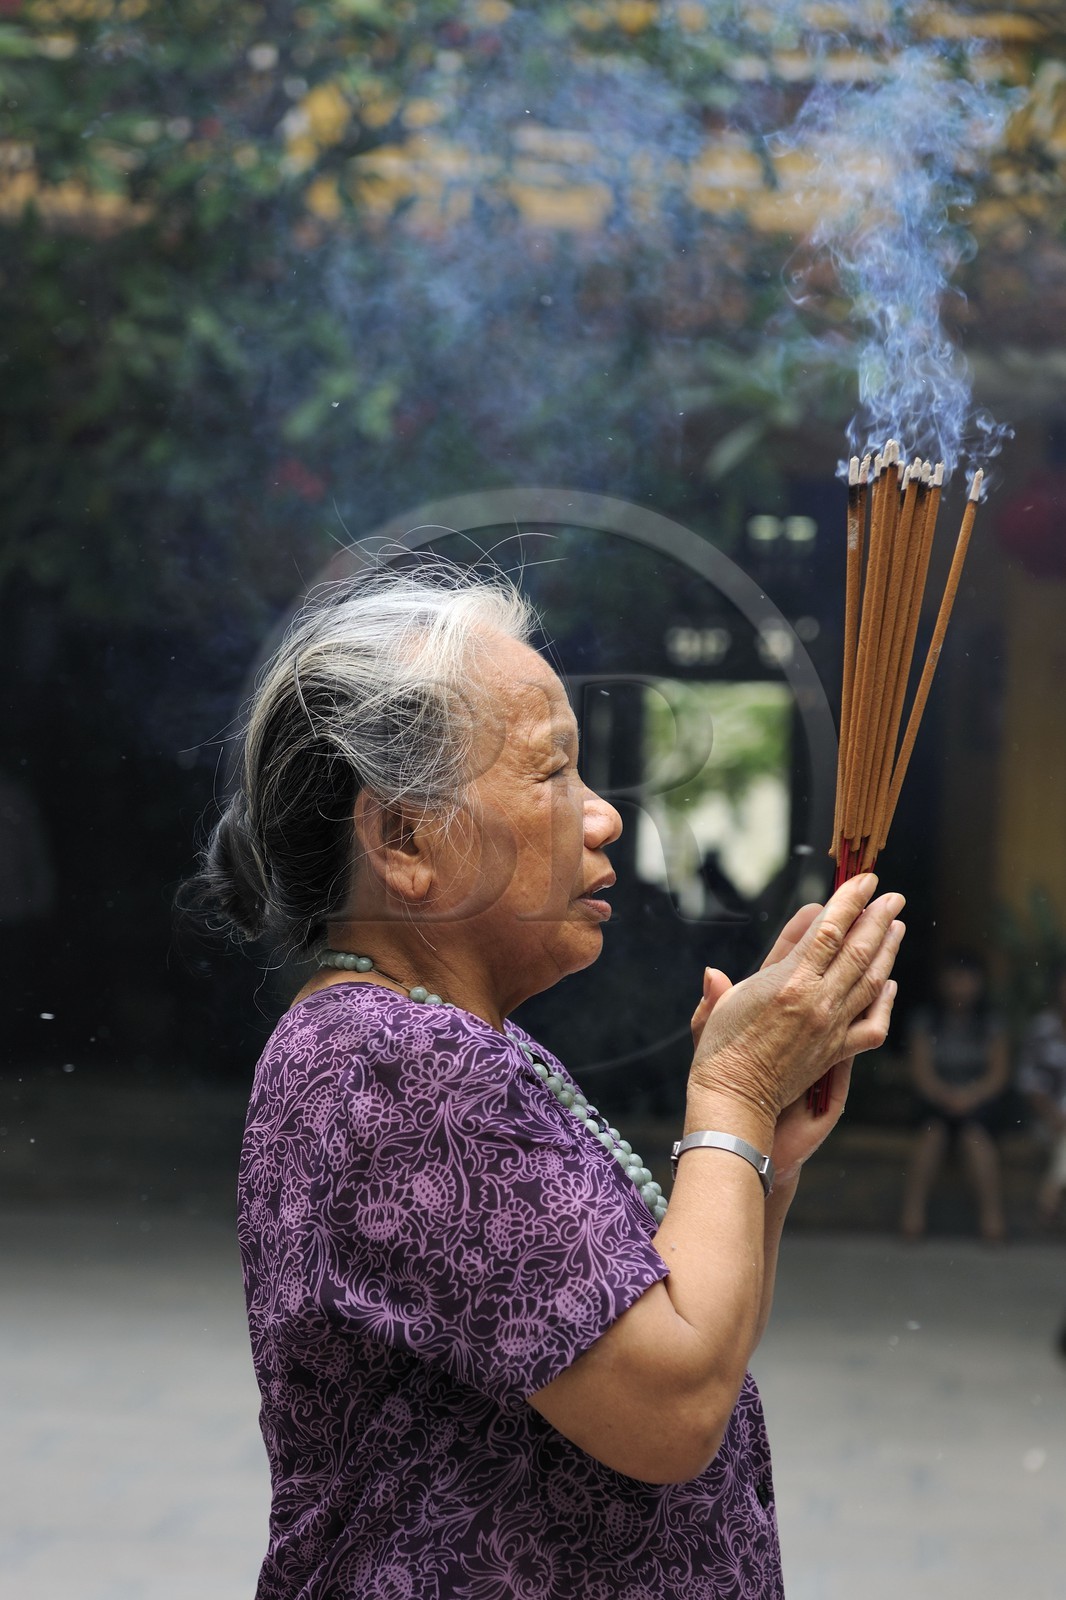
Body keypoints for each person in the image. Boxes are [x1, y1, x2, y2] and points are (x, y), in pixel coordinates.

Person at [190, 564, 903, 1600]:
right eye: (551, 773)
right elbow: (668, 1413)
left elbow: (684, 1351)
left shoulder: (434, 1041)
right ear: (405, 838)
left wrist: (764, 1158)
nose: (602, 816)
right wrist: (735, 1089)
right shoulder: (401, 1064)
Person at [899, 951, 1009, 1243]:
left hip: (979, 1103)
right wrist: (946, 1096)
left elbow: (997, 1075)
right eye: (954, 977)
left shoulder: (991, 1022)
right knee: (932, 1135)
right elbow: (921, 1072)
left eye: (967, 977)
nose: (960, 985)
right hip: (936, 1101)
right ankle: (912, 1215)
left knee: (975, 1137)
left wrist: (970, 1097)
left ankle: (992, 1217)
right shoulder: (925, 1020)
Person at [1018, 961, 1066, 1223]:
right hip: (1046, 1122)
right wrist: (1053, 1115)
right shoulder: (1042, 1029)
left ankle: (1052, 1190)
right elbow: (1030, 1083)